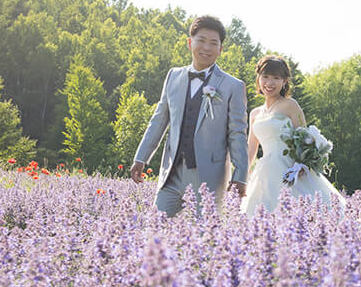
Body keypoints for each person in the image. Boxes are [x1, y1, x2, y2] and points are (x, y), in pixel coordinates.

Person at [130, 16, 249, 216]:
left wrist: (240, 176)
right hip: (172, 173)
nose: (206, 48)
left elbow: (237, 134)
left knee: (206, 239)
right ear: (189, 43)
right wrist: (141, 157)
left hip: (209, 176)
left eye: (214, 43)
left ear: (221, 49)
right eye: (201, 40)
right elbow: (159, 120)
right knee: (153, 230)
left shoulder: (233, 86)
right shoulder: (173, 76)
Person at [241, 55, 346, 216]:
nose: (269, 83)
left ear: (284, 82)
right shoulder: (255, 113)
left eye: (276, 78)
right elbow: (251, 149)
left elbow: (305, 139)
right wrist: (241, 175)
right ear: (258, 78)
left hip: (290, 169)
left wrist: (301, 165)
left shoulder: (290, 105)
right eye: (265, 77)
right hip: (265, 170)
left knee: (299, 214)